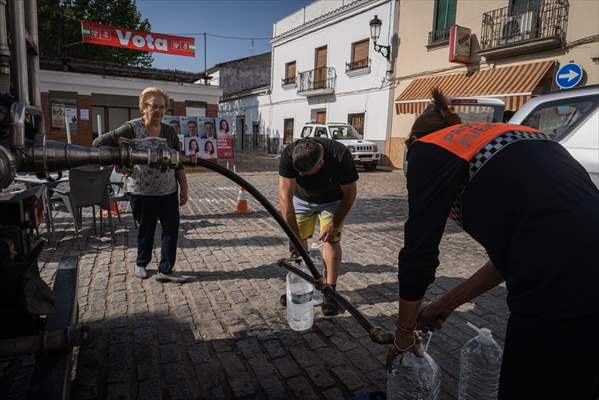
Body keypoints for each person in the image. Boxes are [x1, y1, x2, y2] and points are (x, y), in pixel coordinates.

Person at [386, 89, 599, 399]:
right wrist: (445, 304)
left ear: (412, 143)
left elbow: (419, 253)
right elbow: (511, 254)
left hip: (559, 284)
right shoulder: (525, 134)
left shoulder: (430, 148)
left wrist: (404, 335)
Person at [92, 87, 190, 284]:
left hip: (168, 191)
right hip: (141, 192)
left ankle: (165, 269)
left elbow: (178, 162)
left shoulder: (169, 132)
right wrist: (118, 162)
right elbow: (98, 144)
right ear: (144, 108)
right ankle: (141, 263)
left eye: (162, 107)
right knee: (146, 229)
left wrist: (184, 188)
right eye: (154, 107)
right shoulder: (131, 129)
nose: (159, 111)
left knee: (171, 229)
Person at [279, 137, 358, 316]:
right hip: (301, 200)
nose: (301, 176)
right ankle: (300, 286)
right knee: (299, 241)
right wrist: (294, 236)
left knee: (331, 240)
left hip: (333, 200)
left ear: (321, 163)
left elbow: (350, 193)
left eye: (307, 172)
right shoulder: (289, 153)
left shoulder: (340, 155)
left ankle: (330, 292)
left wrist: (334, 223)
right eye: (298, 171)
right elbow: (285, 196)